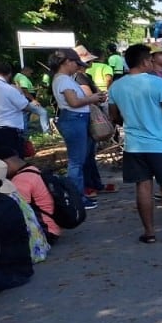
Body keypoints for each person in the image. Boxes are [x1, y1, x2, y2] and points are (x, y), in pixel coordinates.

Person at [106, 44, 162, 244]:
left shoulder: (116, 86)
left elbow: (114, 116)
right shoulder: (158, 83)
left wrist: (130, 120)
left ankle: (149, 232)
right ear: (145, 61)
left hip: (134, 145)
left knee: (143, 187)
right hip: (161, 144)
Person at [48, 48, 106, 210]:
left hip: (75, 119)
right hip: (74, 120)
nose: (78, 67)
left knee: (79, 160)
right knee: (76, 162)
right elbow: (73, 102)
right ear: (67, 62)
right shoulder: (64, 80)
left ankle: (79, 195)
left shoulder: (62, 79)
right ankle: (77, 198)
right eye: (76, 63)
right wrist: (92, 98)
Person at [74, 46, 115, 199]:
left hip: (88, 114)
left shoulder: (84, 76)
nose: (90, 63)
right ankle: (89, 185)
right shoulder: (80, 77)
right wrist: (98, 97)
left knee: (90, 153)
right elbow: (89, 96)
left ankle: (94, 183)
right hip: (87, 115)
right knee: (86, 154)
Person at [0, 146, 61, 243]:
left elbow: (18, 210)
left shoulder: (21, 180)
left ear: (5, 164)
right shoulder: (32, 169)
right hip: (52, 227)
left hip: (44, 232)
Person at [12, 64, 50, 135]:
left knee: (25, 116)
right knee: (43, 112)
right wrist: (33, 100)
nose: (31, 74)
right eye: (30, 73)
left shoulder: (17, 76)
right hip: (27, 100)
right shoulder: (22, 78)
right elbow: (24, 90)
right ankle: (46, 132)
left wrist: (35, 89)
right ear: (26, 71)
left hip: (23, 100)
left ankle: (24, 133)